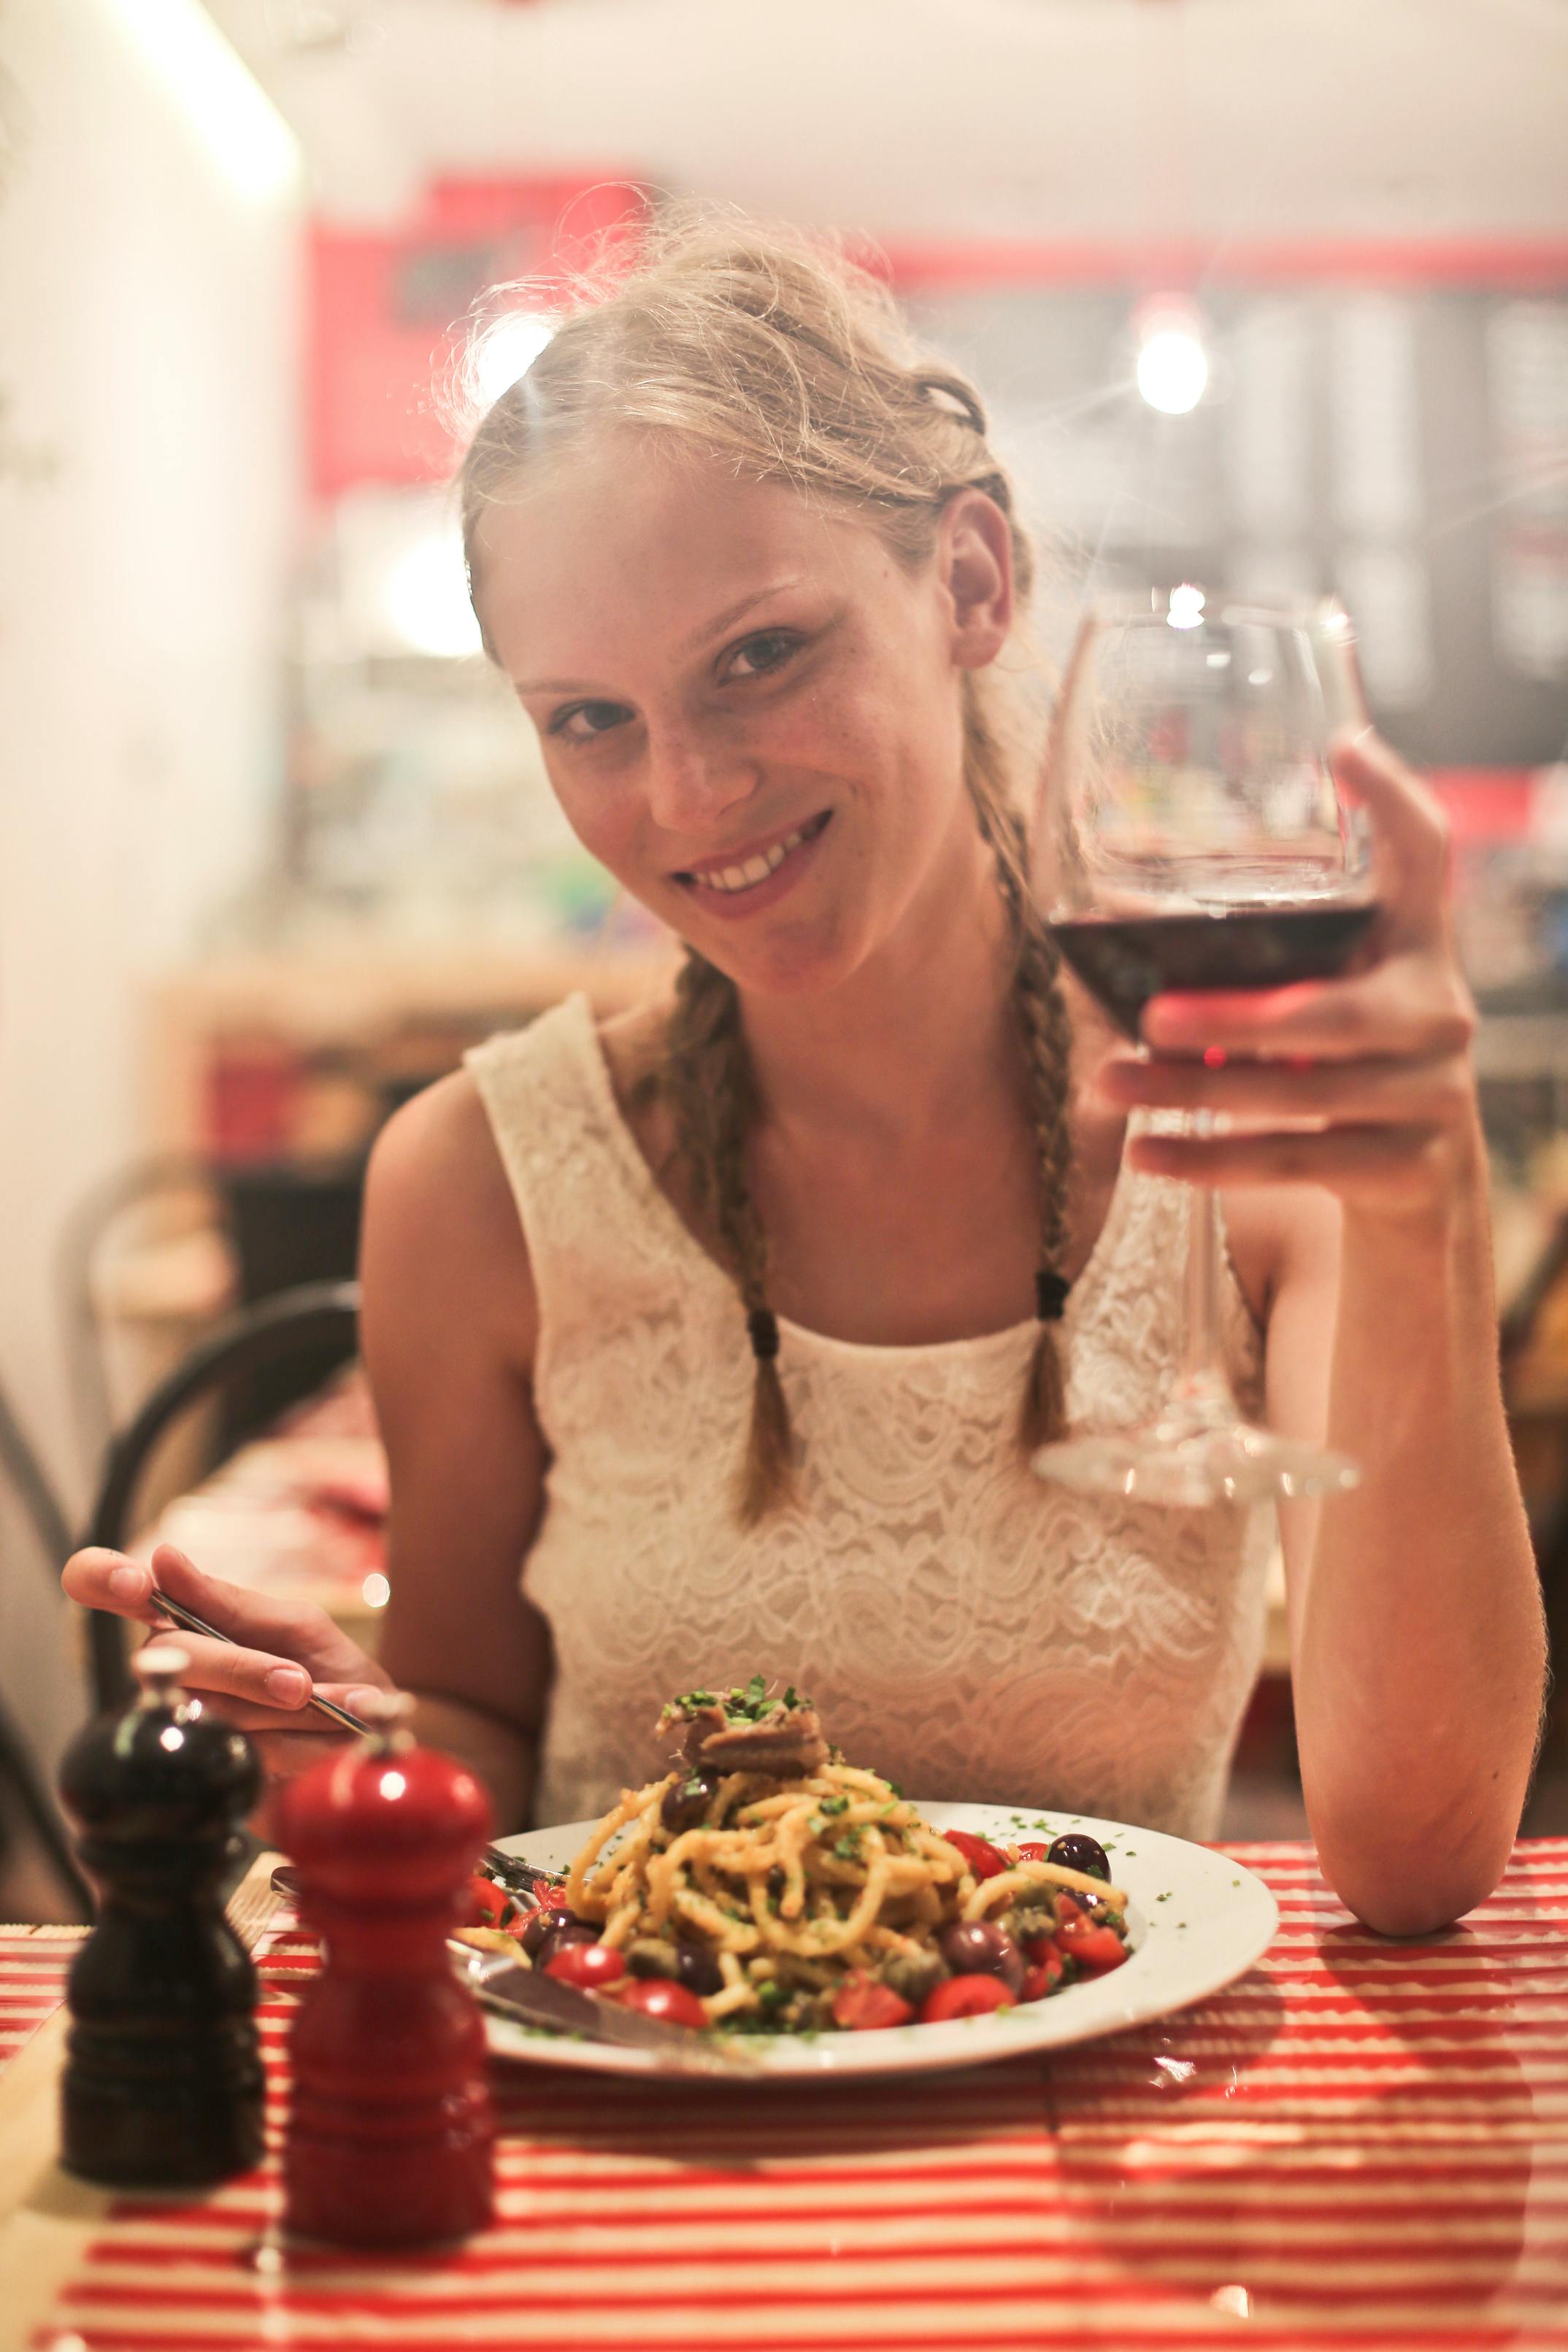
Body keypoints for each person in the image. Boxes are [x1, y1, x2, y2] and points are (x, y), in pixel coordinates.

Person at [66, 217, 1545, 1936]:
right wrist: (350, 1739)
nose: (688, 798)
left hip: (1089, 2144)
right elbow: (477, 1727)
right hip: (643, 2125)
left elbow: (1421, 1861)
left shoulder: (1251, 1150)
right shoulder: (479, 1180)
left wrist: (1427, 1215)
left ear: (973, 584)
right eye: (589, 719)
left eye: (760, 654)